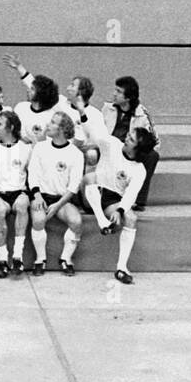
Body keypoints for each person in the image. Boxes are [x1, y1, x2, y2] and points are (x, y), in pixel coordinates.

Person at [71, 90, 158, 284]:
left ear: (136, 149)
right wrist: (81, 111)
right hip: (92, 193)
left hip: (111, 199)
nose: (127, 137)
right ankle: (102, 221)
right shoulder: (112, 145)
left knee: (131, 217)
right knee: (89, 178)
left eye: (131, 139)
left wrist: (120, 210)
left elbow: (130, 195)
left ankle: (121, 268)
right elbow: (94, 132)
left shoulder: (139, 170)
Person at [28, 111, 85, 275]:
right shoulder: (40, 147)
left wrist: (57, 205)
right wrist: (37, 196)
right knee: (38, 220)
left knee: (76, 221)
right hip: (42, 196)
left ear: (61, 129)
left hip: (63, 200)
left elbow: (73, 187)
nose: (48, 125)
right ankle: (41, 259)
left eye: (53, 123)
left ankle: (66, 258)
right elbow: (33, 175)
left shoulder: (76, 154)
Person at [101, 76, 159, 211]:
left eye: (118, 91)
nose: (114, 94)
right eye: (115, 90)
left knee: (152, 155)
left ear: (128, 98)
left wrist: (135, 151)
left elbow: (154, 141)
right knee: (91, 153)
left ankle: (138, 200)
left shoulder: (142, 114)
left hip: (131, 151)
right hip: (109, 150)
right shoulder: (107, 108)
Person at [0, 110, 31, 278]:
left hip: (19, 192)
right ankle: (2, 260)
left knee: (22, 205)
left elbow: (32, 176)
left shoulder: (25, 149)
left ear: (11, 127)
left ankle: (17, 257)